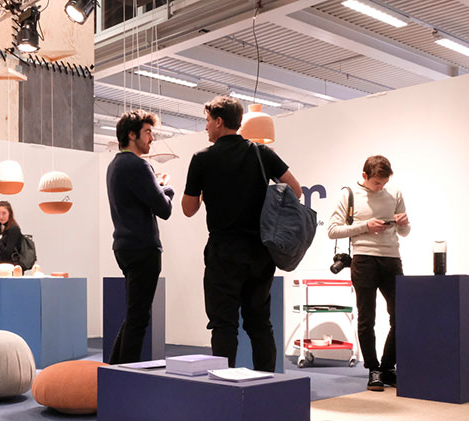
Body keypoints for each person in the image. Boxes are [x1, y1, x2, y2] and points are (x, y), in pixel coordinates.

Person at [182, 96, 302, 372]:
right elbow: (295, 190)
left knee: (223, 325)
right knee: (260, 323)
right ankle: (268, 385)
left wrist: (208, 192)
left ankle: (224, 386)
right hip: (260, 251)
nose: (206, 127)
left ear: (219, 121)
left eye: (208, 121)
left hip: (223, 252)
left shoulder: (202, 158)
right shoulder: (262, 153)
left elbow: (188, 209)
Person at [327, 155, 409, 391]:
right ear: (364, 176)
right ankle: (373, 369)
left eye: (384, 183)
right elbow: (332, 230)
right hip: (363, 259)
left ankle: (388, 367)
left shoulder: (395, 193)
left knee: (402, 315)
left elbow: (405, 232)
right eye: (376, 183)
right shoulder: (349, 195)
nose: (380, 187)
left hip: (392, 259)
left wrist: (404, 223)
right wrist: (366, 226)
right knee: (366, 318)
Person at [106, 110, 174, 365]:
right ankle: (125, 376)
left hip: (124, 247)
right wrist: (166, 187)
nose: (151, 139)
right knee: (138, 318)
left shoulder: (114, 165)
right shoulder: (138, 165)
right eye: (147, 133)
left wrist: (155, 186)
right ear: (132, 135)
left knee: (134, 315)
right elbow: (164, 209)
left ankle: (114, 371)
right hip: (143, 248)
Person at [0, 200, 22, 266]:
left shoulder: (13, 229)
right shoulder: (6, 228)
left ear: (9, 213)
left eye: (4, 213)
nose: (1, 217)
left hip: (11, 267)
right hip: (6, 266)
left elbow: (7, 253)